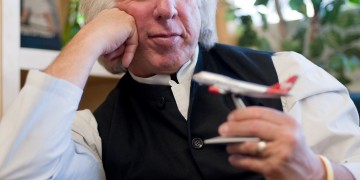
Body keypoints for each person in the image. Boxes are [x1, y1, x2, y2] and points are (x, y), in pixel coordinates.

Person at [1, 0, 360, 179]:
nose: (168, 9)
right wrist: (89, 38)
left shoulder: (287, 73)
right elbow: (18, 170)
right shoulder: (91, 135)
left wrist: (317, 171)